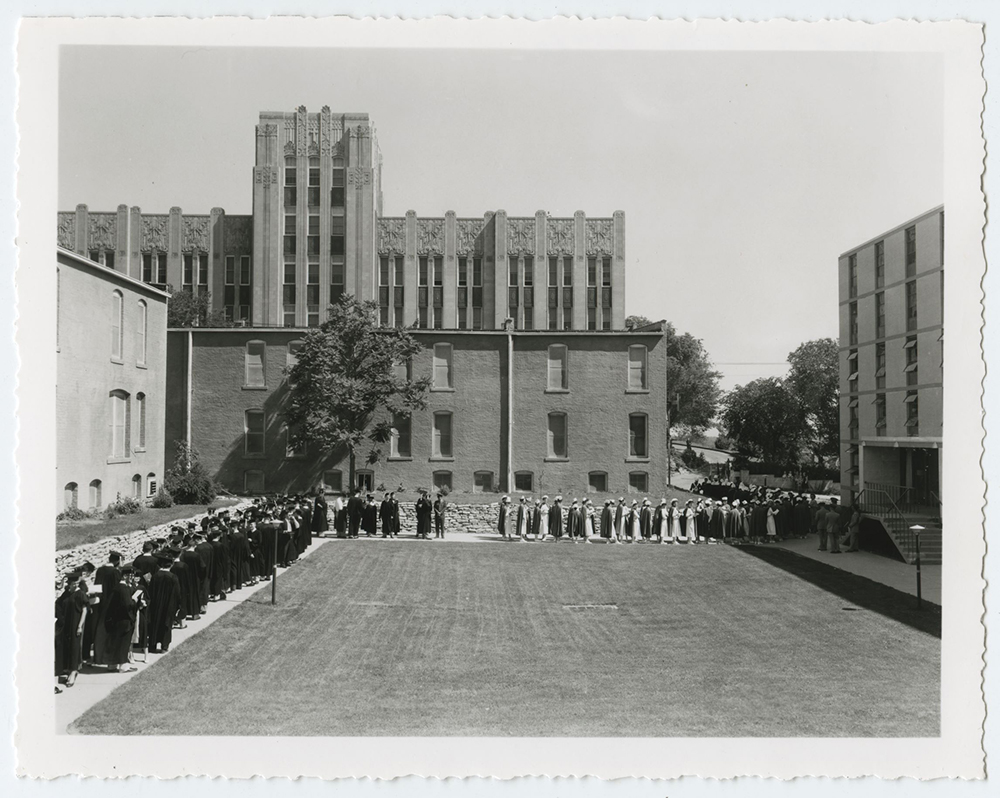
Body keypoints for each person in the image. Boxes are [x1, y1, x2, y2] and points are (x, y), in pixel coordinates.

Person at [101, 564, 139, 673]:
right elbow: (127, 605)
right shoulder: (123, 589)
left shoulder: (117, 587)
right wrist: (135, 601)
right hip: (124, 620)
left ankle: (112, 665)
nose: (131, 578)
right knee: (123, 644)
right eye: (130, 576)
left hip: (116, 620)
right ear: (125, 576)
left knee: (115, 643)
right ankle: (123, 666)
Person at [55, 571, 87, 688]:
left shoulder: (80, 594)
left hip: (75, 624)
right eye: (71, 584)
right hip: (65, 624)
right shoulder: (66, 594)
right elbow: (57, 603)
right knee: (66, 646)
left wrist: (80, 626)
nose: (74, 586)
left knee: (74, 647)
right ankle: (68, 669)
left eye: (75, 584)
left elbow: (84, 610)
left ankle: (73, 672)